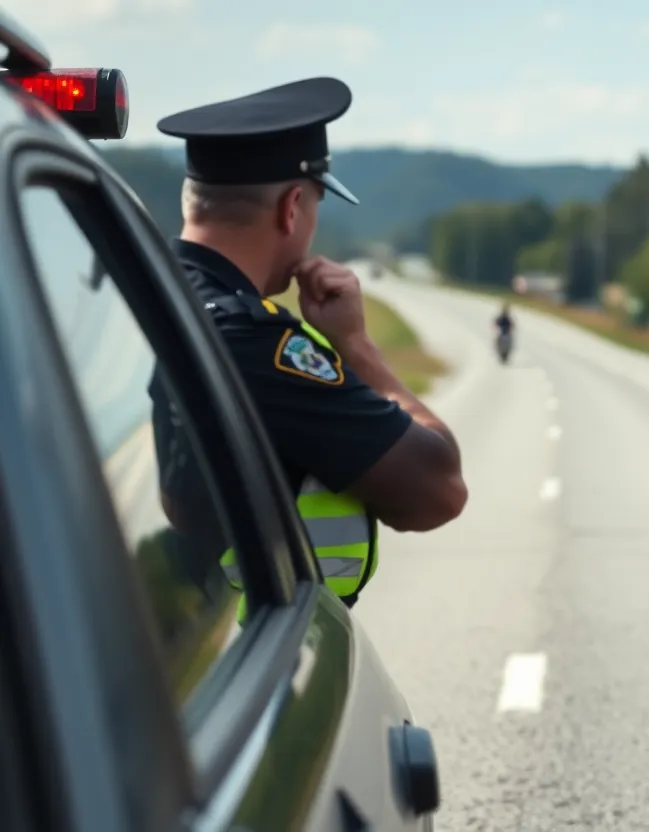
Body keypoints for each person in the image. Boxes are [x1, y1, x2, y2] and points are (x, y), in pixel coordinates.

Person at [152, 77, 467, 614]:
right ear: (292, 207)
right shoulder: (247, 341)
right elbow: (438, 488)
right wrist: (357, 346)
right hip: (241, 645)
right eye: (317, 207)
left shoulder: (136, 292)